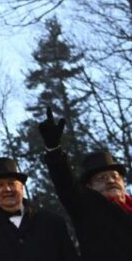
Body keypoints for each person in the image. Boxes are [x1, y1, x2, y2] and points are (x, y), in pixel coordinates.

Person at [39, 107, 132, 259]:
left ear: (123, 183)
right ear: (89, 186)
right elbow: (65, 182)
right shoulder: (87, 206)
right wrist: (54, 149)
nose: (110, 180)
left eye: (115, 176)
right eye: (101, 178)